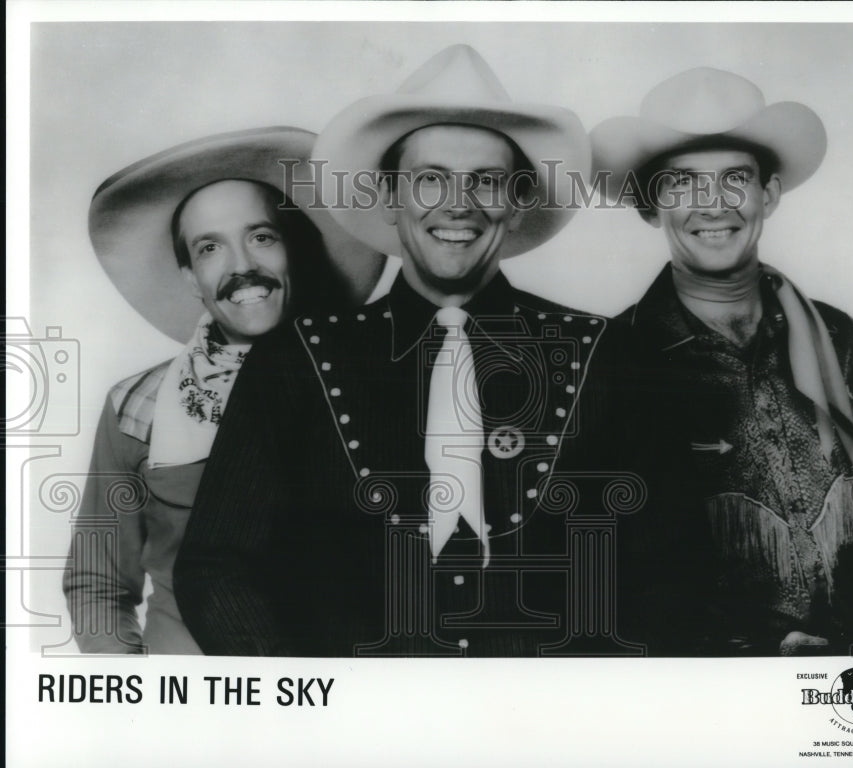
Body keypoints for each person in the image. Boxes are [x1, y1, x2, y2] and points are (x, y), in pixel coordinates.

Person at [175, 45, 705, 657]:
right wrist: (316, 718)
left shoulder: (608, 355)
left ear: (516, 203)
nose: (459, 203)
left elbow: (676, 571)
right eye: (431, 179)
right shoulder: (296, 360)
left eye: (486, 181)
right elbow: (216, 566)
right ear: (390, 199)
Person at [590, 67, 853, 655]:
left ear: (767, 194)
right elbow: (617, 575)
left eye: (734, 179)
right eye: (682, 183)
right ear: (650, 205)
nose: (712, 204)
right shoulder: (615, 357)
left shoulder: (837, 335)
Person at [63, 127, 384, 653]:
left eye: (262, 237)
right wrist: (137, 698)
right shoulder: (134, 409)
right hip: (191, 710)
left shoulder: (371, 387)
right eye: (210, 248)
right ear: (190, 276)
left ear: (294, 251)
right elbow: (97, 583)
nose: (242, 266)